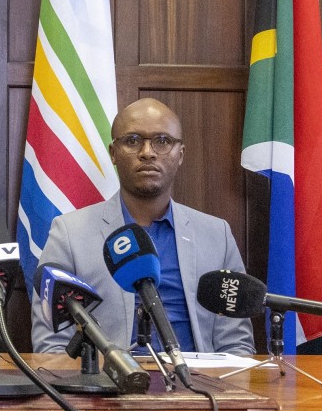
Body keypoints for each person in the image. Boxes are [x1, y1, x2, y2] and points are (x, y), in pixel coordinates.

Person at [31, 98, 255, 355]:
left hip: (199, 388)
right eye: (133, 140)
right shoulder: (69, 234)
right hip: (107, 388)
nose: (147, 152)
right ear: (113, 153)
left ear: (180, 155)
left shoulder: (217, 236)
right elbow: (51, 345)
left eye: (162, 141)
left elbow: (237, 345)